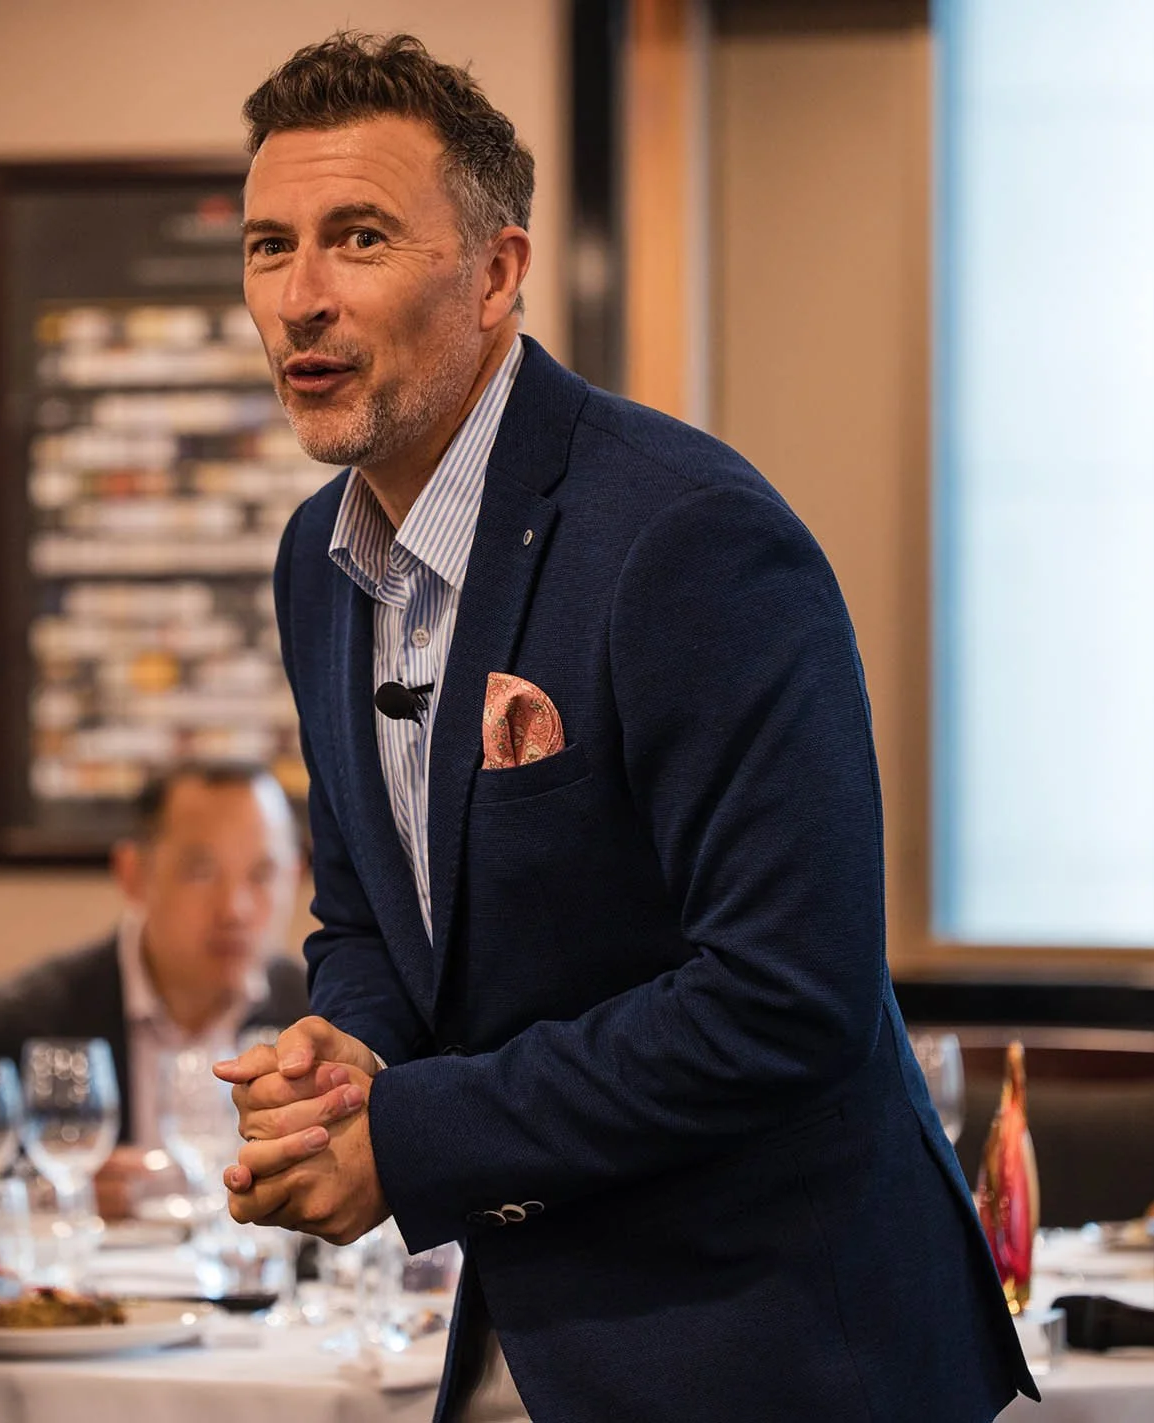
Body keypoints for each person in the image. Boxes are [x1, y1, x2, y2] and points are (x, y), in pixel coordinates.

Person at [212, 32, 1035, 1423]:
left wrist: (407, 1134)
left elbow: (788, 995)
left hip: (778, 1344)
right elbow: (371, 921)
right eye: (266, 245)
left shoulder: (684, 535)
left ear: (495, 270)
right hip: (523, 1332)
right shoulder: (316, 557)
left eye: (356, 238)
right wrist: (343, 1051)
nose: (298, 297)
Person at [0, 763, 308, 1216]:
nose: (234, 908)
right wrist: (56, 1196)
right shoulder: (17, 1026)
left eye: (262, 873)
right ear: (133, 873)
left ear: (295, 877)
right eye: (201, 871)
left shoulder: (319, 1016)